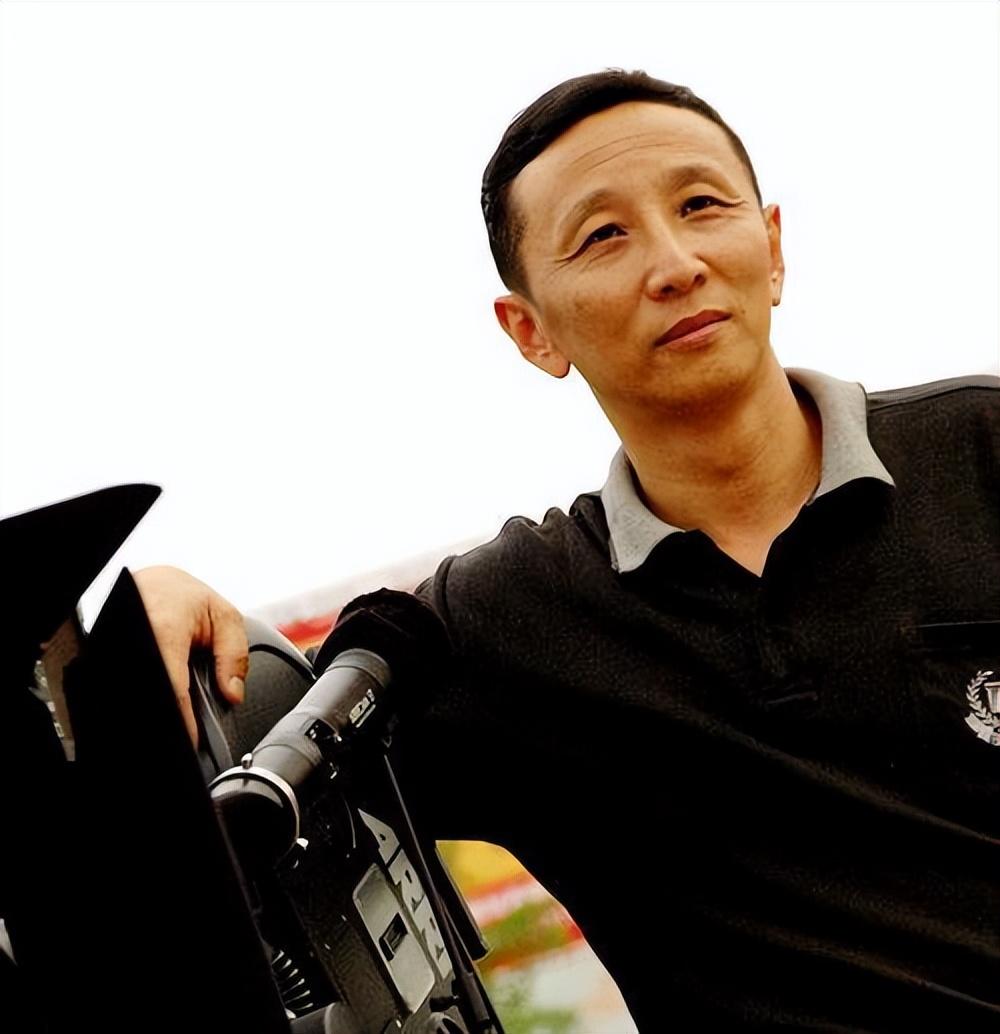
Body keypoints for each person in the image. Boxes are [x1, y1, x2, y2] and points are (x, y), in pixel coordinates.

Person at [135, 70, 999, 1030]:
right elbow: (264, 783)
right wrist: (157, 608)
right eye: (603, 236)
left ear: (774, 248)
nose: (675, 264)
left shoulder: (984, 450)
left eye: (701, 205)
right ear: (532, 331)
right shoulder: (504, 624)